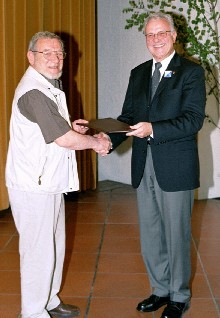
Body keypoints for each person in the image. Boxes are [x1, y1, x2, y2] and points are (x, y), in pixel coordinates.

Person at [5, 31, 111, 318]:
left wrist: (70, 129)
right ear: (31, 57)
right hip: (32, 184)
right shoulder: (34, 91)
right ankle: (33, 313)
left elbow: (52, 132)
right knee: (38, 252)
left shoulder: (49, 86)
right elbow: (62, 139)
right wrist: (96, 142)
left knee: (54, 246)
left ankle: (50, 301)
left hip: (47, 181)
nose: (55, 59)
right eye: (46, 53)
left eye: (59, 53)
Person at [108, 12, 206, 318]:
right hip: (144, 163)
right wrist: (103, 138)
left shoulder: (190, 72)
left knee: (176, 233)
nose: (156, 40)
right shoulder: (138, 73)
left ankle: (179, 295)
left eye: (161, 33)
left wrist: (154, 129)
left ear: (174, 35)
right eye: (150, 35)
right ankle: (160, 289)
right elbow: (127, 118)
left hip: (175, 165)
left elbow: (192, 120)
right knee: (151, 232)